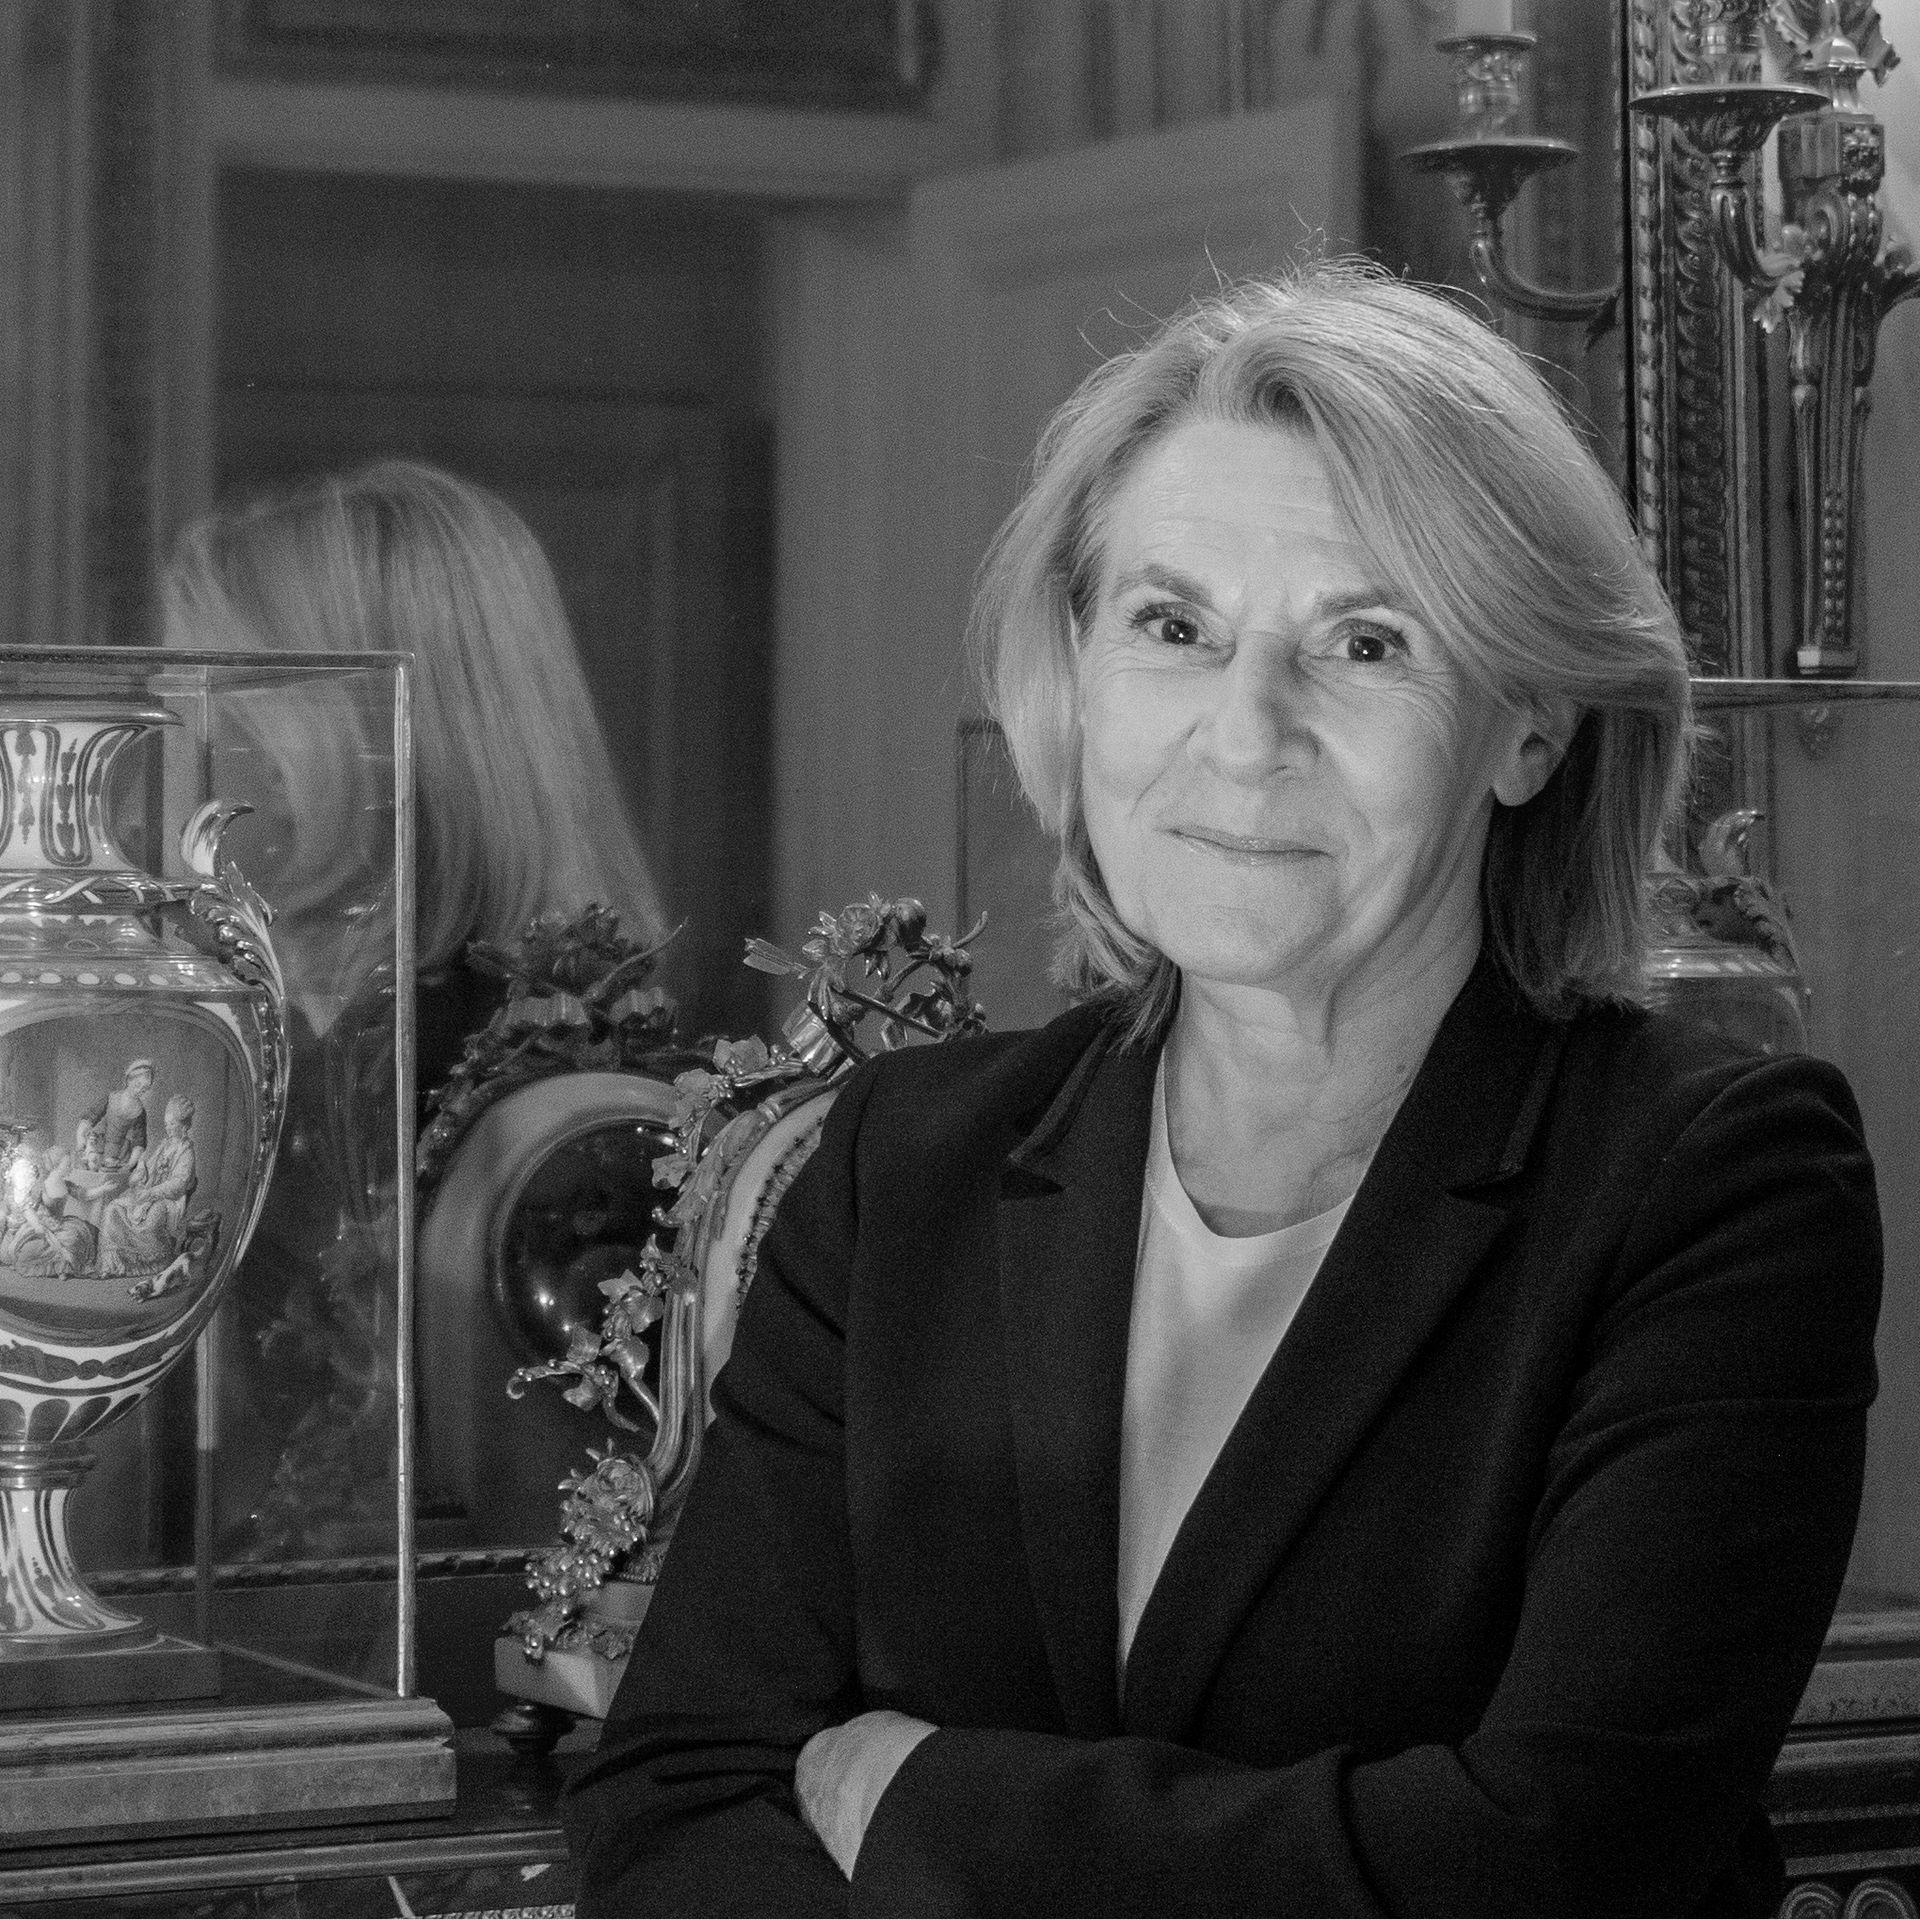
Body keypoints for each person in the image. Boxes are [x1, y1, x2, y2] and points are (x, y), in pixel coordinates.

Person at [563, 264, 1883, 1917]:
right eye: (1173, 626)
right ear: (1079, 668)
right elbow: (680, 1798)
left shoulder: (1714, 1180)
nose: (1246, 734)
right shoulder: (907, 1164)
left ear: (1530, 729)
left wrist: (922, 1794)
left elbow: (1558, 1858)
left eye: (1368, 643)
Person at [161, 459, 669, 1557]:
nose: (176, 742)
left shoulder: (446, 1077)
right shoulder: (319, 1029)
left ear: (340, 743)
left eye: (213, 697)